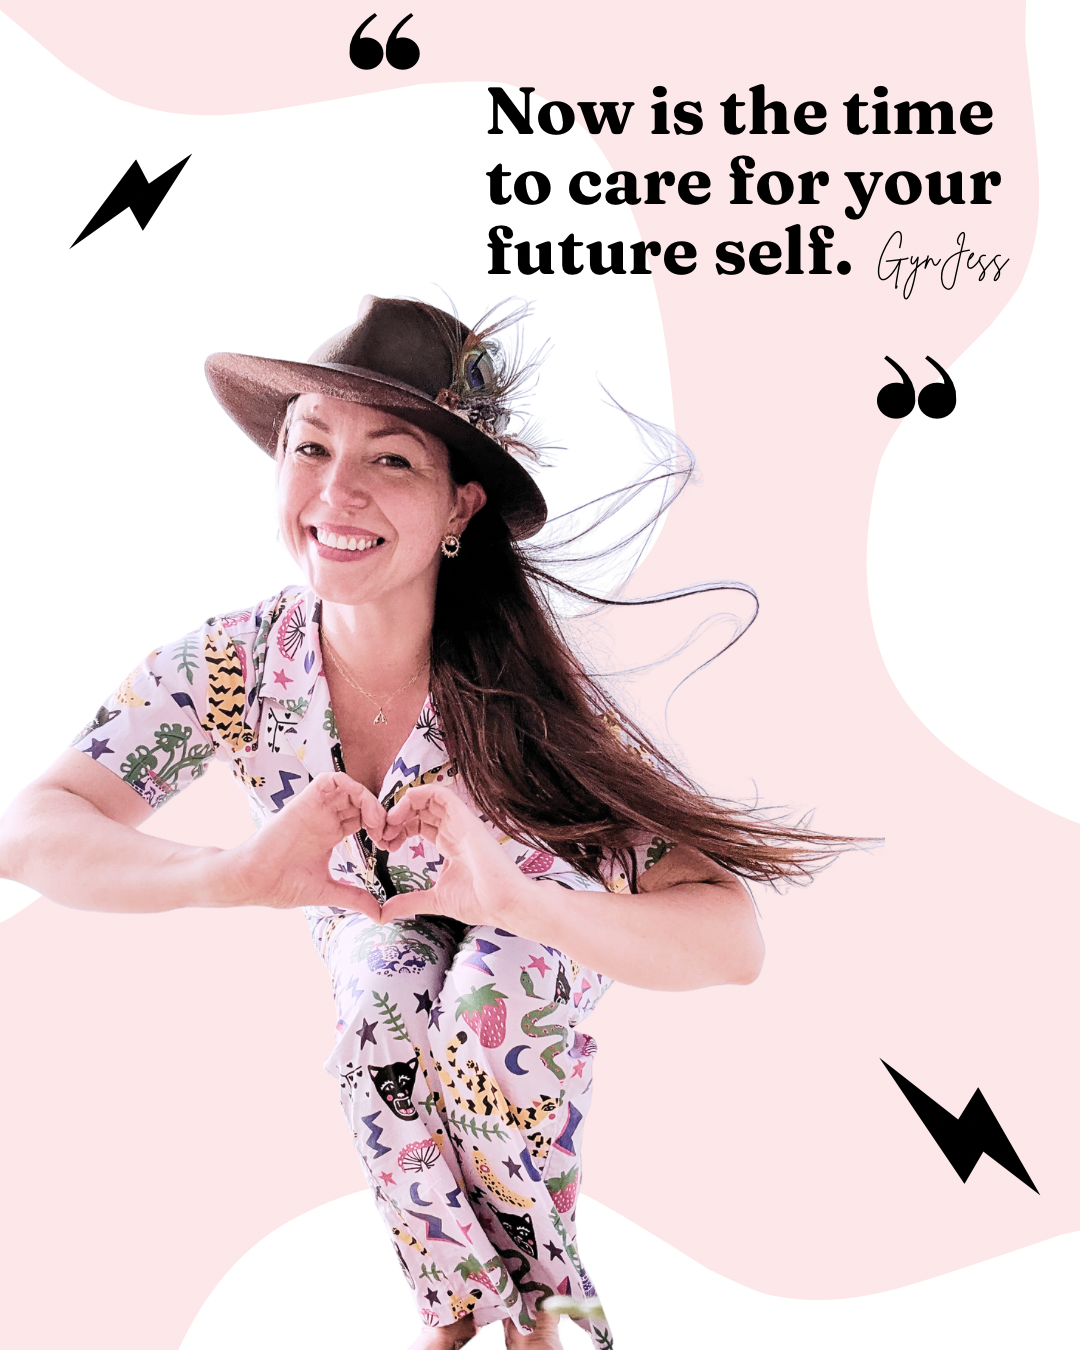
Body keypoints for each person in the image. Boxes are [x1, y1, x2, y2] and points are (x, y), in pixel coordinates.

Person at [0, 296, 858, 1350]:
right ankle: (458, 1313)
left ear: (460, 509)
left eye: (392, 461)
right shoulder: (235, 670)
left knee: (494, 994)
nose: (336, 492)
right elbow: (36, 829)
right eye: (309, 447)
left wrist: (517, 897)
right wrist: (233, 872)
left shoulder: (528, 707)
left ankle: (548, 1313)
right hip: (385, 981)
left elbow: (731, 939)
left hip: (539, 944)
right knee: (380, 1000)